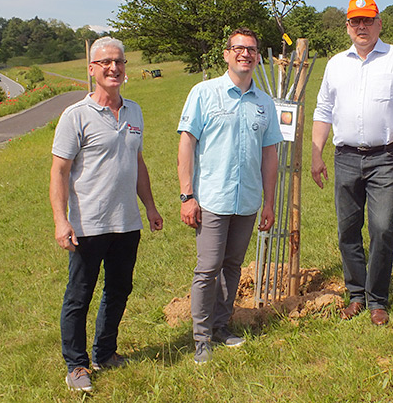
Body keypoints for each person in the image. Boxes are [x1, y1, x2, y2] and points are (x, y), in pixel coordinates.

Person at [50, 37, 163, 392]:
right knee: (79, 295)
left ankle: (105, 351)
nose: (114, 68)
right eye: (106, 62)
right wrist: (60, 220)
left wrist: (150, 206)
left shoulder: (135, 111)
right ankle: (77, 365)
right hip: (88, 225)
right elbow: (59, 171)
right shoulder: (76, 116)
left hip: (127, 223)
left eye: (119, 61)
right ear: (92, 69)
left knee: (119, 289)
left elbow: (138, 162)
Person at [311, 0, 393, 326]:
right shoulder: (336, 64)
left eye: (367, 21)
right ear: (347, 26)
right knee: (348, 230)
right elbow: (323, 111)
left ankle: (378, 299)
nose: (361, 27)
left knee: (381, 228)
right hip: (345, 157)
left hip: (386, 158)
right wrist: (316, 154)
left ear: (379, 24)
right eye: (355, 22)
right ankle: (356, 294)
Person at [177, 27, 282, 364]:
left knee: (233, 265)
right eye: (238, 48)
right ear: (227, 54)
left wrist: (268, 201)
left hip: (247, 201)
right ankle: (201, 337)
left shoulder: (264, 103)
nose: (245, 54)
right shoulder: (204, 93)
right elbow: (187, 143)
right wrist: (187, 195)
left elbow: (270, 155)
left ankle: (222, 325)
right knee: (208, 268)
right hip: (211, 199)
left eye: (251, 49)